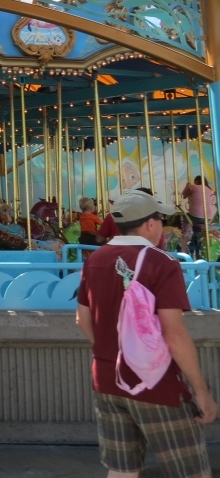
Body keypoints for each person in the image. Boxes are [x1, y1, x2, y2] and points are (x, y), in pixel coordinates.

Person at [76, 191, 217, 478]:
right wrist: (200, 391)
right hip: (156, 384)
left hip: (107, 380)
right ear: (150, 224)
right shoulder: (161, 263)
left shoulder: (95, 260)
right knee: (189, 469)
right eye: (160, 220)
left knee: (121, 471)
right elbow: (174, 333)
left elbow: (82, 319)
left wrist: (117, 354)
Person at [182, 176, 216, 259]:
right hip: (209, 217)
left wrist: (187, 186)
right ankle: (195, 237)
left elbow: (184, 195)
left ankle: (186, 238)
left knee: (182, 218)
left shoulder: (193, 187)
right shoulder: (210, 189)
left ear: (197, 181)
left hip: (196, 215)